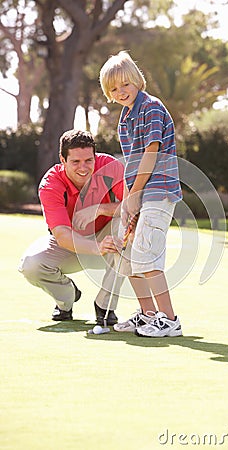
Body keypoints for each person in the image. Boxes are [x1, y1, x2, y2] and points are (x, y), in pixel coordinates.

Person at [99, 51, 183, 337]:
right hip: (137, 193)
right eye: (113, 88)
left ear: (136, 80)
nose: (120, 91)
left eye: (125, 84)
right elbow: (131, 163)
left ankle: (169, 319)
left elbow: (151, 152)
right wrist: (127, 198)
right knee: (128, 257)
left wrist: (135, 195)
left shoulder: (151, 108)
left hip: (158, 192)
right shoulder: (124, 118)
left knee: (146, 255)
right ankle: (148, 315)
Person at [19, 129, 128, 325]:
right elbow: (61, 234)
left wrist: (100, 209)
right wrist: (97, 247)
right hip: (71, 243)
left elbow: (131, 205)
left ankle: (105, 305)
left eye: (88, 160)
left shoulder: (110, 166)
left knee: (127, 225)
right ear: (63, 159)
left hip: (106, 236)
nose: (83, 168)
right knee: (30, 265)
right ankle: (66, 299)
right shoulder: (50, 183)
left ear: (95, 157)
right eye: (75, 162)